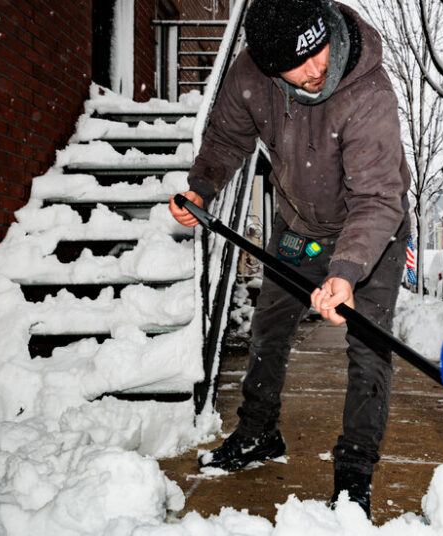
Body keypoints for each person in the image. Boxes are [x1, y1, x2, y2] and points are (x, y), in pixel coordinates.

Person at [169, 0, 410, 519]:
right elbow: (227, 137)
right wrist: (202, 187)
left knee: (367, 351)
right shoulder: (250, 76)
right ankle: (258, 433)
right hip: (298, 226)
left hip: (371, 232)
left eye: (320, 49)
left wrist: (345, 273)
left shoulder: (369, 94)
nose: (318, 67)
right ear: (269, 64)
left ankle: (353, 475)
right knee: (269, 328)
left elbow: (377, 198)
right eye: (300, 63)